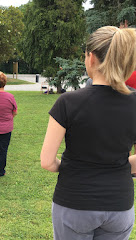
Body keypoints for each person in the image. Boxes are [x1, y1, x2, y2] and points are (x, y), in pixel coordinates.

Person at [40, 26, 136, 240]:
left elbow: (47, 161)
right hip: (119, 204)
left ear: (91, 58)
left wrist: (73, 167)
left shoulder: (68, 102)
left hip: (74, 202)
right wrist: (116, 165)